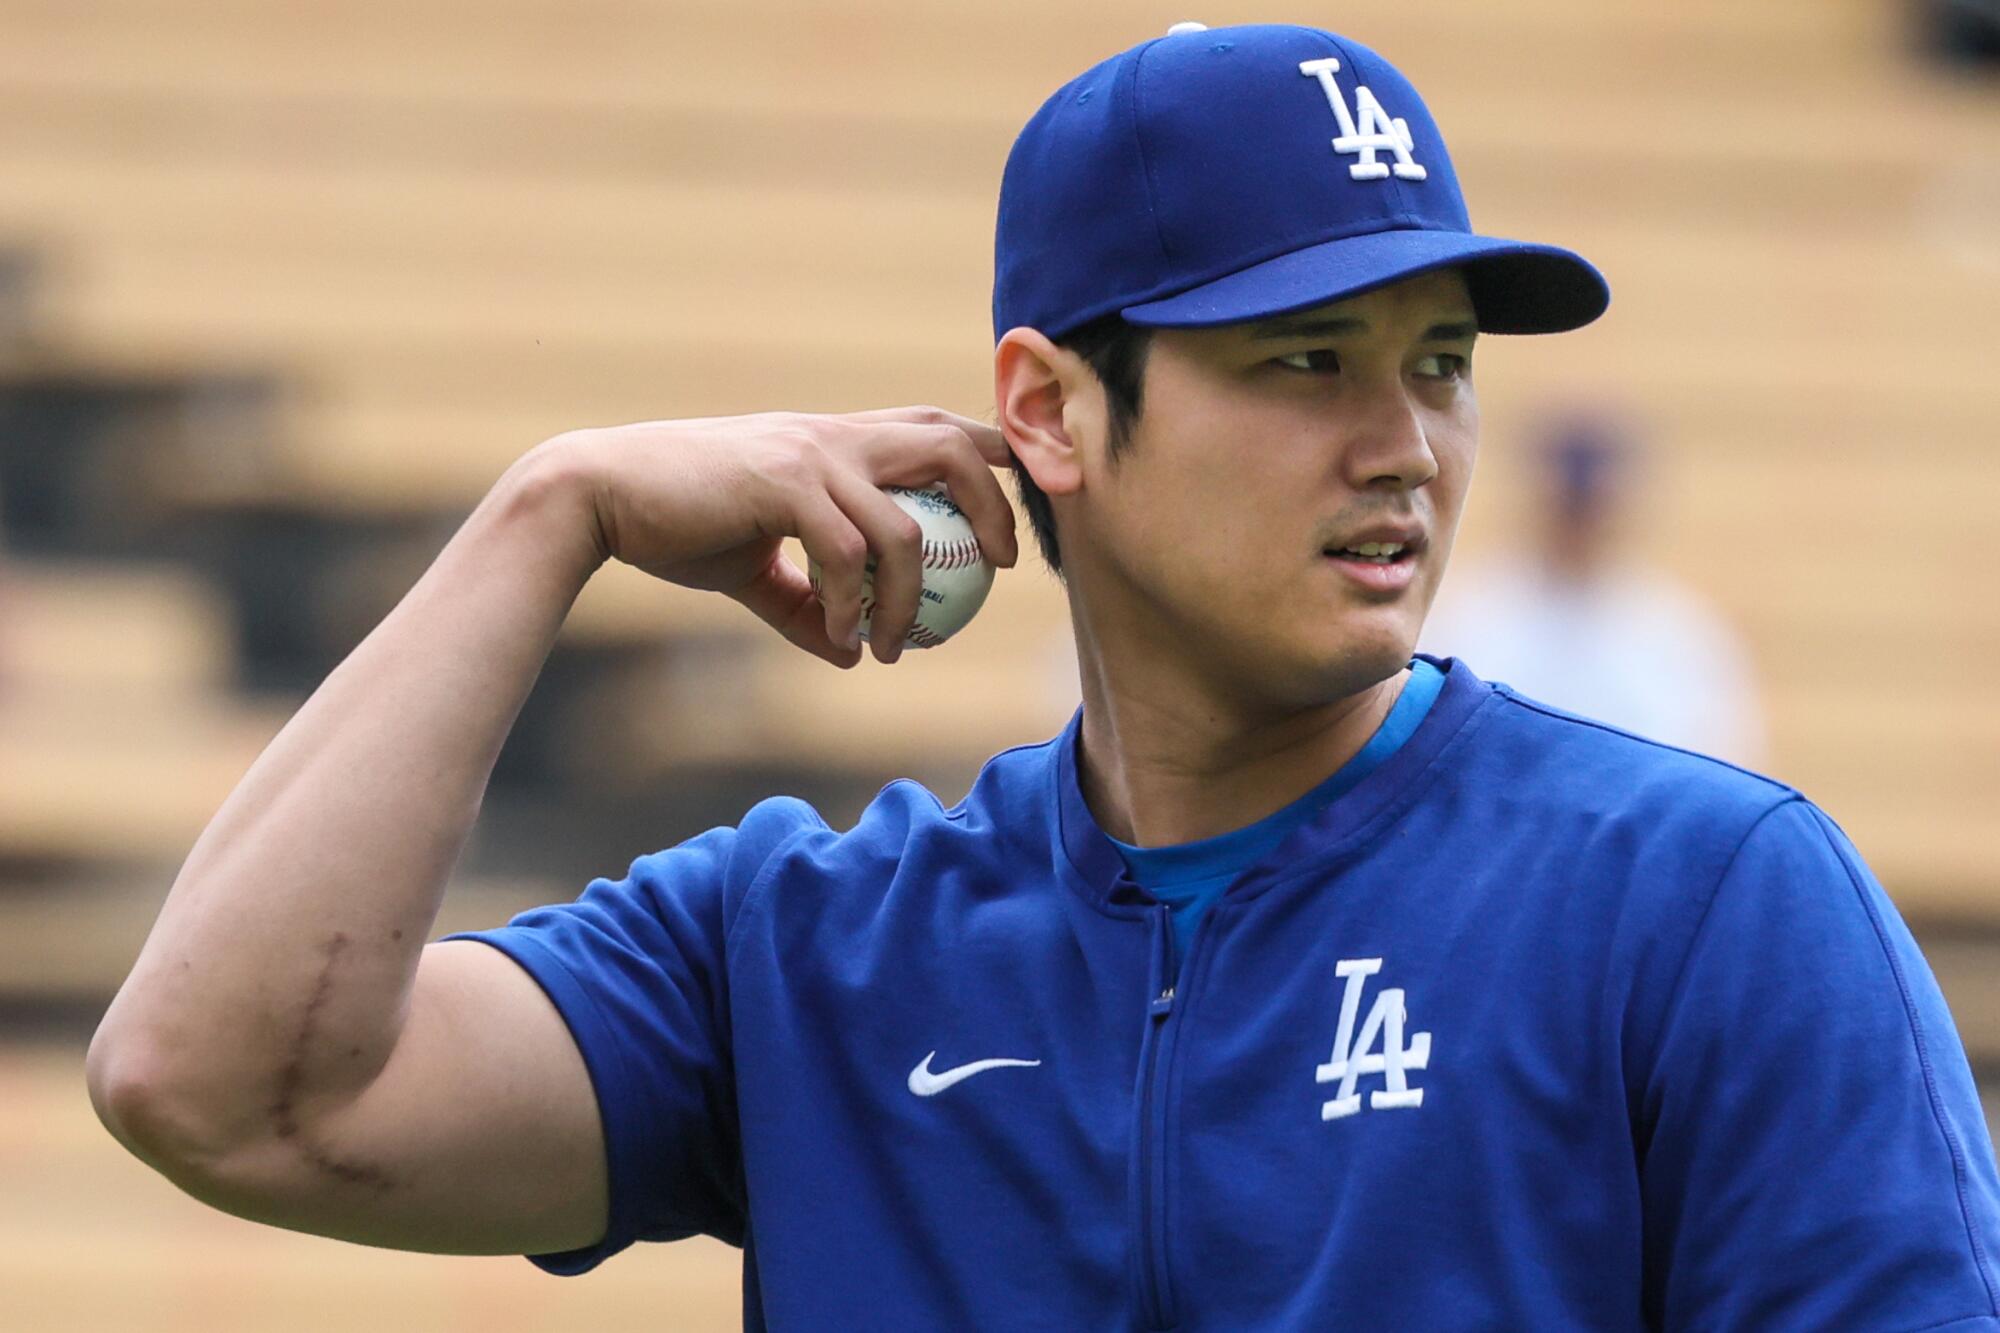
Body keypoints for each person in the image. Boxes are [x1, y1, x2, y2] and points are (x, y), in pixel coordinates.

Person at [86, 22, 2000, 1331]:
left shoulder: (1704, 896)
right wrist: (548, 513)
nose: (1406, 440)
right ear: (1050, 409)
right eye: (1308, 359)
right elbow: (224, 1087)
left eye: (1441, 360)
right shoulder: (810, 949)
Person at [1420, 410, 1769, 767]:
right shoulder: (1465, 619)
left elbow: (1717, 776)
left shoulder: (1680, 641)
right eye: (1572, 507)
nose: (1581, 526)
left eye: (1590, 508)